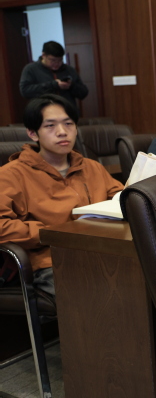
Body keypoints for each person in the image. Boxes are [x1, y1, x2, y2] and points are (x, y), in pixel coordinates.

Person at [0, 94, 123, 297]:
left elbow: (120, 198)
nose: (62, 132)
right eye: (50, 126)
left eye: (68, 124)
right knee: (101, 295)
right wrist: (50, 232)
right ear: (32, 133)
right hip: (51, 260)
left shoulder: (91, 167)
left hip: (104, 251)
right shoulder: (11, 175)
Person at [19, 41, 88, 111]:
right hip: (42, 112)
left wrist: (71, 85)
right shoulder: (31, 69)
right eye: (53, 60)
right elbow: (25, 91)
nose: (57, 63)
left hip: (67, 112)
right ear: (43, 55)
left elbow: (83, 93)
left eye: (60, 60)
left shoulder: (69, 70)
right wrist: (53, 85)